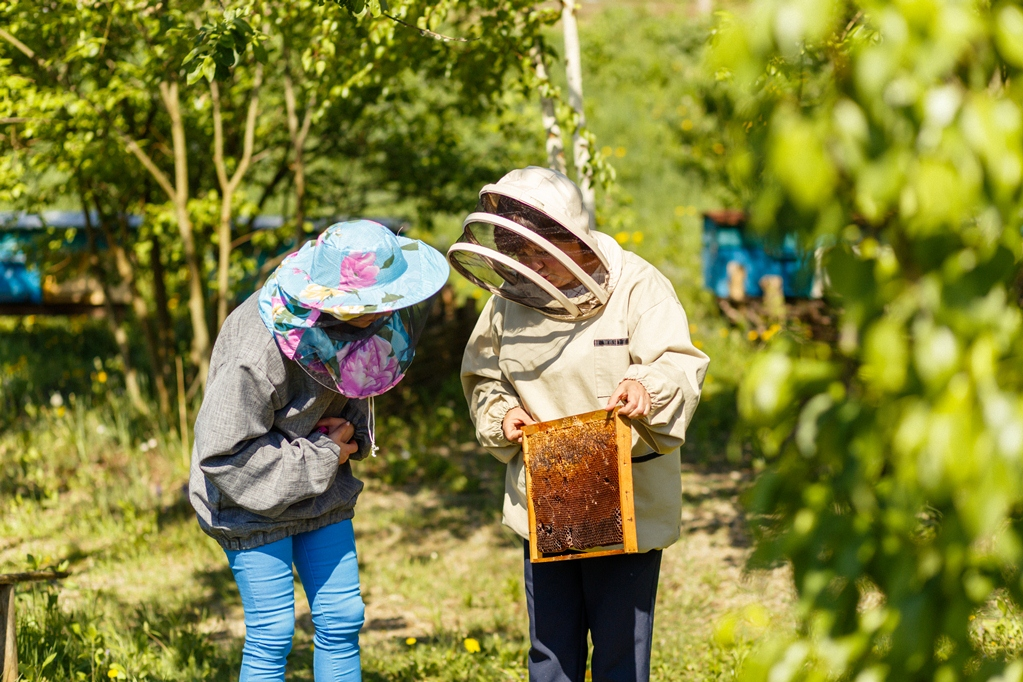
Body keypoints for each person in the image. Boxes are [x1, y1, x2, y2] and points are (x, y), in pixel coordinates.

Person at [451, 167, 709, 682]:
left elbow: (678, 365)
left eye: (540, 250)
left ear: (571, 237)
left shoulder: (639, 285)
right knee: (551, 654)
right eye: (520, 252)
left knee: (621, 656)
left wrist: (645, 389)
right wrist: (503, 415)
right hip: (546, 496)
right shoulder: (508, 301)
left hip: (628, 495)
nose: (530, 264)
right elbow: (483, 377)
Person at [189, 220, 448, 682]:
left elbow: (355, 383)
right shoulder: (256, 347)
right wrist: (326, 453)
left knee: (342, 617)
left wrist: (348, 432)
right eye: (373, 307)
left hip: (320, 491)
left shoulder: (357, 321)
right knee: (272, 632)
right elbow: (224, 454)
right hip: (250, 500)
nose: (385, 316)